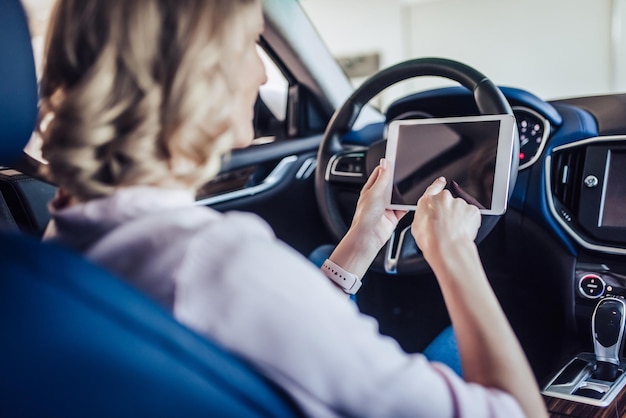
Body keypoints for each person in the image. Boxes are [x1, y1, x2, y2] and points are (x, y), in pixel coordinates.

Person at [38, 0, 547, 416]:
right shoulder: (215, 261)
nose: (260, 74)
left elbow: (272, 332)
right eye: (247, 46)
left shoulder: (60, 237)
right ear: (192, 71)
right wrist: (455, 253)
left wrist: (364, 238)